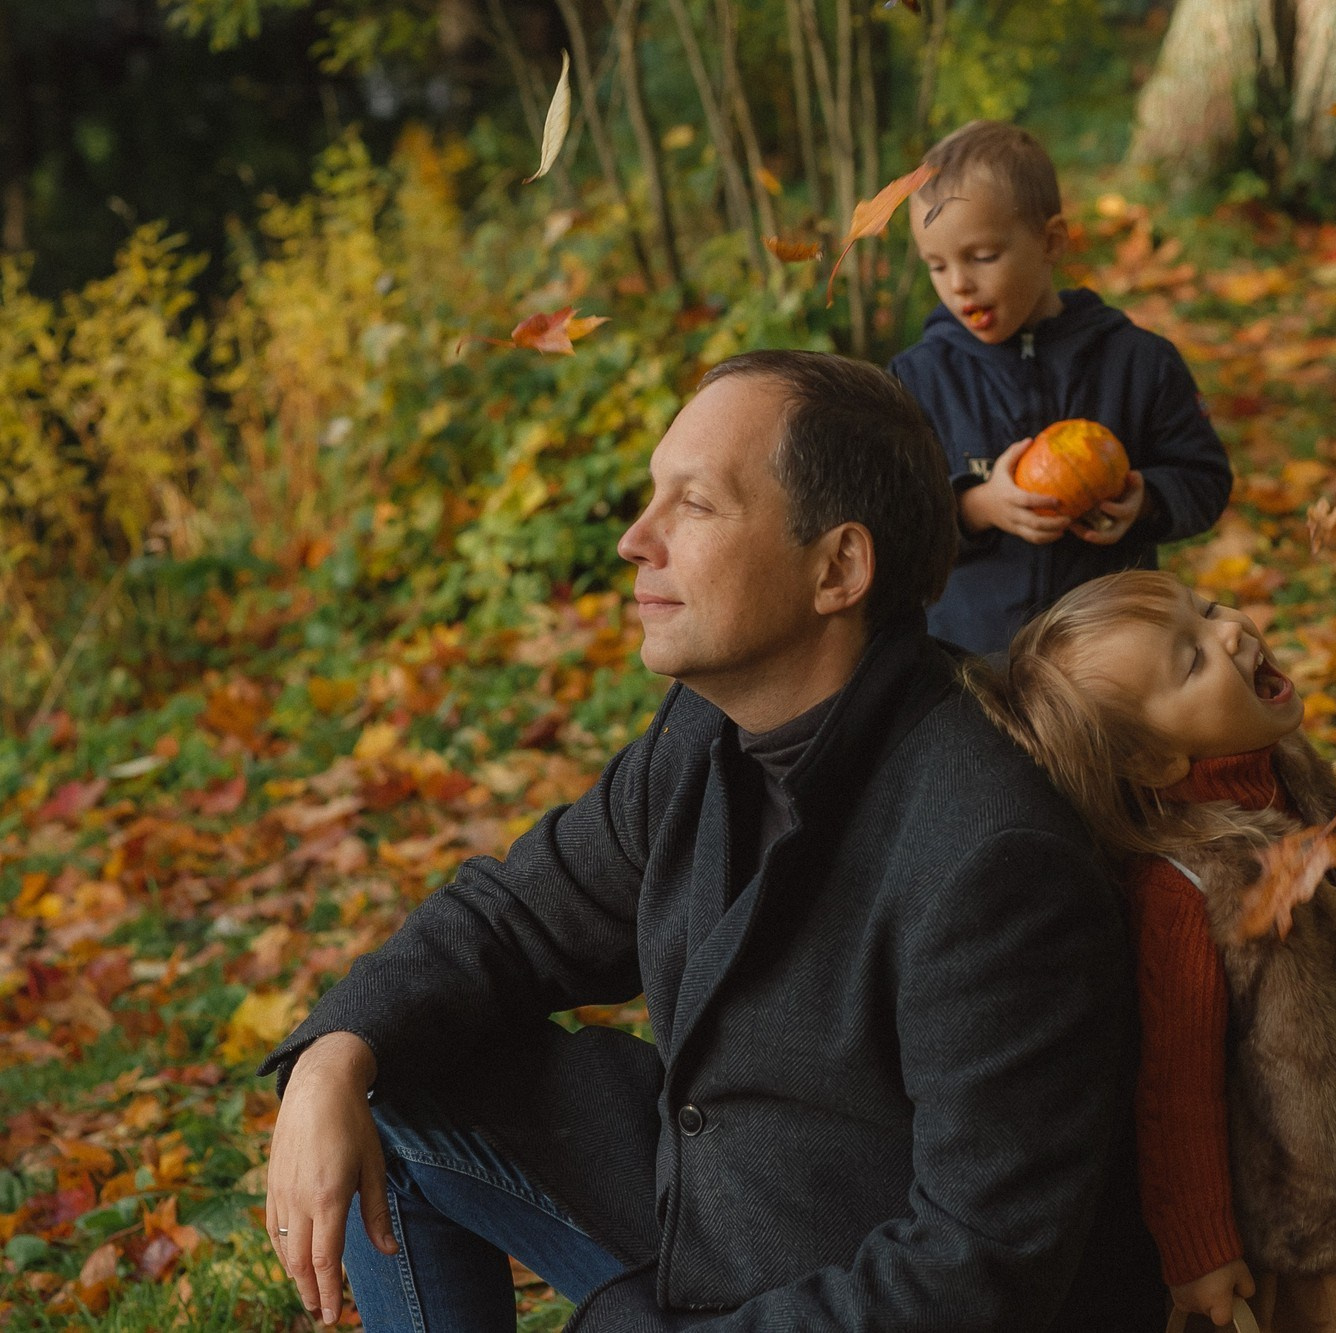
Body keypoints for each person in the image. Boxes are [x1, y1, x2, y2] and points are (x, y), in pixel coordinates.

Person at [256, 351, 1159, 1332]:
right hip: (713, 1196)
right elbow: (516, 918)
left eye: (693, 506)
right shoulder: (704, 729)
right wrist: (331, 1058)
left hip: (850, 1287)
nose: (635, 542)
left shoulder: (990, 854)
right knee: (397, 1072)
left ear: (837, 568)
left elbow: (974, 1271)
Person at [971, 571, 1336, 1333]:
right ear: (1154, 762)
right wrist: (1199, 1250)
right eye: (1191, 660)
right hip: (1282, 1221)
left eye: (1208, 609)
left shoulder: (1288, 781)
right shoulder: (1185, 886)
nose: (1232, 632)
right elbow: (1175, 1087)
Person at [889, 120, 1234, 656]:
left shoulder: (1137, 362)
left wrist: (1147, 500)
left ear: (1051, 242)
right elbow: (894, 518)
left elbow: (1206, 478)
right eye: (937, 265)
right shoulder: (919, 381)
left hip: (1111, 662)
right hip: (972, 664)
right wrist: (979, 507)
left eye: (982, 257)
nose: (959, 284)